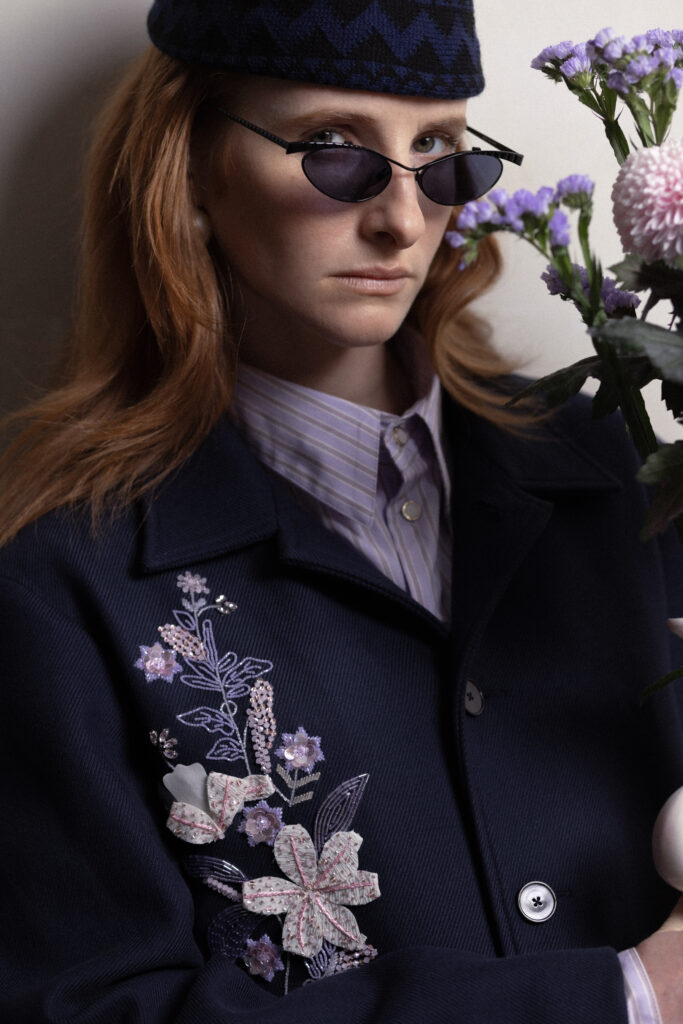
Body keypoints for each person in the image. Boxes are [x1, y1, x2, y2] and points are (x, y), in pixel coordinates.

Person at [1, 2, 682, 1021]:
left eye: (437, 151)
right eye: (331, 147)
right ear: (190, 170)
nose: (402, 221)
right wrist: (619, 996)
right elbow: (90, 1006)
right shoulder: (64, 578)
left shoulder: (617, 459)